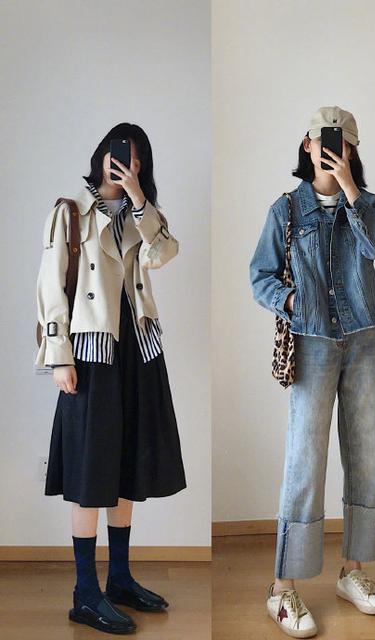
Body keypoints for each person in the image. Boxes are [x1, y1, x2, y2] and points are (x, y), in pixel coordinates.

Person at [250, 106, 375, 637]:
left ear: (352, 151)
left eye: (344, 143)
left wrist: (351, 188)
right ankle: (281, 589)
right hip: (311, 342)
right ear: (307, 145)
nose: (332, 149)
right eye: (324, 140)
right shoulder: (286, 209)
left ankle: (351, 571)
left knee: (366, 456)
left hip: (366, 339)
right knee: (304, 462)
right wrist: (293, 301)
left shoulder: (368, 205)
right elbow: (260, 276)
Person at [36, 122, 186, 634]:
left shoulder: (141, 217)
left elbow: (164, 253)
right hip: (91, 353)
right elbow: (50, 287)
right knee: (90, 471)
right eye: (120, 153)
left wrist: (139, 197)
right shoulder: (70, 213)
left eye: (137, 159)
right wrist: (59, 357)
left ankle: (119, 578)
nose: (126, 163)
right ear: (102, 154)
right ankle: (85, 591)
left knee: (126, 465)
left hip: (138, 351)